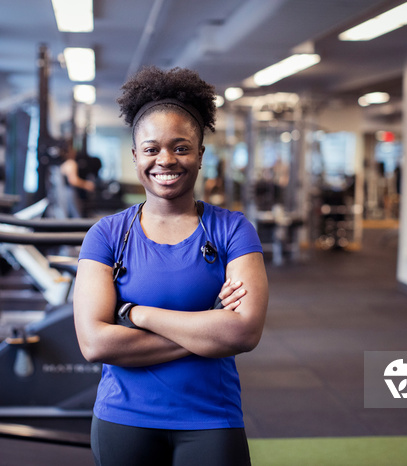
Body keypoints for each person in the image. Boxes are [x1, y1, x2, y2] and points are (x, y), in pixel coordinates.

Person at [73, 66, 269, 466]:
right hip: (122, 419)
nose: (166, 160)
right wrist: (207, 330)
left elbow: (244, 331)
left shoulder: (232, 230)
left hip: (211, 420)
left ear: (200, 154)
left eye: (181, 147)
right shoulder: (106, 235)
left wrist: (135, 314)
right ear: (135, 156)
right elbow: (95, 343)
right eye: (151, 149)